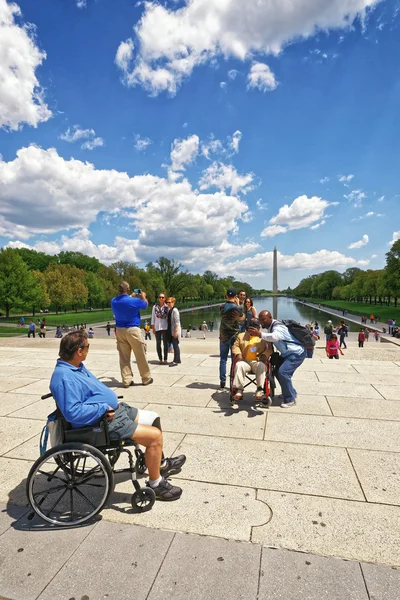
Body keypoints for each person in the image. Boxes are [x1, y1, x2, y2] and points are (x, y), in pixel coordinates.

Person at [50, 330, 185, 501]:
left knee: (153, 418)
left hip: (113, 412)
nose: (88, 350)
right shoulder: (65, 377)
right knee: (155, 437)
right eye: (87, 347)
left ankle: (160, 464)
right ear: (78, 351)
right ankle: (156, 484)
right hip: (102, 423)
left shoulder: (74, 366)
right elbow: (73, 412)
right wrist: (102, 408)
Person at [248, 310, 306, 408]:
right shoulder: (271, 326)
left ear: (270, 318)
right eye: (260, 320)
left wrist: (260, 334)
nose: (262, 322)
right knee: (277, 371)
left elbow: (275, 337)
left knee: (283, 372)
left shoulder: (278, 327)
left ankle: (290, 399)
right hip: (287, 353)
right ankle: (291, 392)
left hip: (296, 353)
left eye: (264, 320)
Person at [111, 281, 153, 388]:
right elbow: (145, 305)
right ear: (128, 289)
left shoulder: (113, 301)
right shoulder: (135, 301)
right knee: (140, 355)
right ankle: (146, 378)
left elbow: (123, 301)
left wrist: (130, 296)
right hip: (133, 329)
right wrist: (143, 297)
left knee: (124, 357)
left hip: (120, 330)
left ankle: (127, 379)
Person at [231, 318, 272, 403]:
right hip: (245, 361)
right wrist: (238, 354)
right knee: (239, 365)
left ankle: (259, 389)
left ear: (258, 328)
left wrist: (264, 355)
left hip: (257, 361)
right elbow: (235, 346)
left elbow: (269, 349)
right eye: (251, 327)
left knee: (261, 365)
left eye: (255, 327)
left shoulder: (264, 337)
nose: (252, 329)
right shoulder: (241, 336)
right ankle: (239, 389)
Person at [219, 288, 243, 389]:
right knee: (234, 360)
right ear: (236, 296)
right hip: (234, 336)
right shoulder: (238, 308)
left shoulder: (221, 306)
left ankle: (222, 381)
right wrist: (238, 305)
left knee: (223, 359)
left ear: (226, 295)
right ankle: (233, 379)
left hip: (223, 336)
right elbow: (241, 319)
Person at [151, 292, 169, 365]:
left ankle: (165, 359)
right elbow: (153, 318)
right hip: (157, 326)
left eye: (162, 297)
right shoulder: (155, 307)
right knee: (158, 343)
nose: (161, 298)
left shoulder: (167, 307)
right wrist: (153, 328)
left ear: (165, 298)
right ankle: (160, 359)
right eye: (160, 297)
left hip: (165, 327)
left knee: (165, 343)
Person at [166, 297, 181, 365]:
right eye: (167, 302)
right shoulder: (170, 310)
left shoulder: (175, 310)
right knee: (175, 345)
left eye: (169, 302)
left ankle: (177, 359)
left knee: (175, 345)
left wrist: (176, 331)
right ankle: (176, 359)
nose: (168, 304)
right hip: (172, 330)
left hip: (175, 330)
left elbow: (177, 322)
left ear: (173, 302)